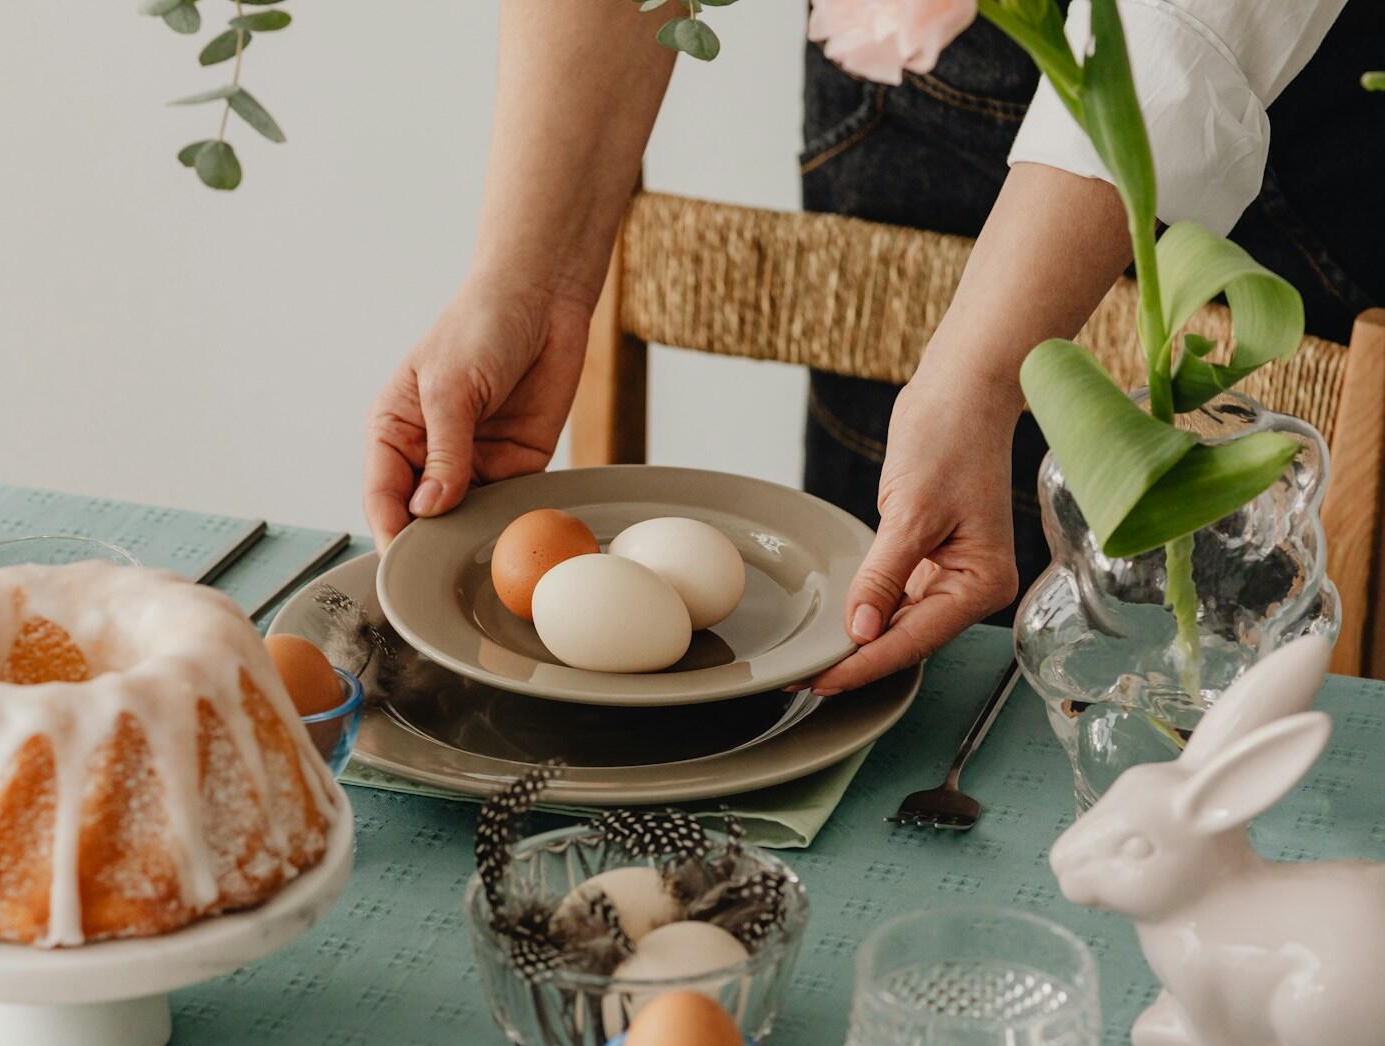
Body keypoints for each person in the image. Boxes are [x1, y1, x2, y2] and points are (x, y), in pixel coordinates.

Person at [362, 0, 1384, 694]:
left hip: (1277, 91)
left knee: (1203, 675)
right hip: (925, 57)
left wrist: (976, 376)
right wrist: (529, 282)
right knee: (896, 660)